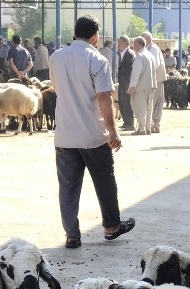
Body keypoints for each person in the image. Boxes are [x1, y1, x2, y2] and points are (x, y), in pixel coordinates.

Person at [49, 15, 135, 248]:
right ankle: (111, 227)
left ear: (75, 33)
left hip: (65, 134)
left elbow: (56, 89)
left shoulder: (56, 57)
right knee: (104, 180)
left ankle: (72, 235)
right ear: (95, 36)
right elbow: (104, 96)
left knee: (67, 187)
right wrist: (112, 131)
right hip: (93, 135)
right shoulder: (97, 59)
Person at [129, 35, 156, 135]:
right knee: (149, 107)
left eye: (134, 44)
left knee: (140, 107)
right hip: (151, 84)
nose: (134, 46)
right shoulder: (150, 55)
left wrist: (132, 86)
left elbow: (136, 73)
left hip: (141, 86)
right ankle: (148, 128)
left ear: (137, 44)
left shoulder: (139, 56)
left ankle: (141, 129)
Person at [141, 32, 167, 133]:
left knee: (155, 103)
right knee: (151, 102)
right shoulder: (148, 49)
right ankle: (152, 124)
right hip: (151, 80)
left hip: (156, 80)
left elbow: (155, 64)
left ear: (146, 40)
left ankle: (155, 125)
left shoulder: (154, 49)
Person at [116, 34, 135, 131]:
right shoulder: (122, 54)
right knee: (121, 102)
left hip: (126, 84)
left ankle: (130, 124)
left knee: (127, 103)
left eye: (120, 42)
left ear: (125, 43)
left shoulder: (129, 54)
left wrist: (129, 85)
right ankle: (126, 122)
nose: (118, 44)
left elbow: (130, 71)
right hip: (121, 83)